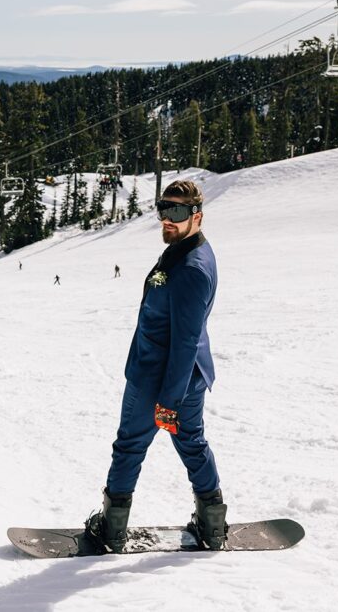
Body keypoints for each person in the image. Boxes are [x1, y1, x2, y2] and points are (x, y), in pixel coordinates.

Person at [85, 180, 227, 552]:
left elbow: (184, 341)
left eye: (177, 212)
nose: (167, 218)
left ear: (197, 215)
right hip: (181, 376)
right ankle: (212, 526)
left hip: (159, 378)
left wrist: (168, 400)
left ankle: (112, 530)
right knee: (192, 444)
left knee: (130, 447)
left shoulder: (193, 267)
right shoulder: (183, 249)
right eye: (163, 208)